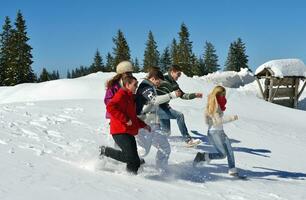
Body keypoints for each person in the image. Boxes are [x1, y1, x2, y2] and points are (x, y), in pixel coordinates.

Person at [100, 75, 150, 175]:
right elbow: (110, 107)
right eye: (135, 85)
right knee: (130, 157)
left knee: (135, 161)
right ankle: (106, 151)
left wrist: (143, 125)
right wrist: (125, 119)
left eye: (137, 84)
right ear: (127, 85)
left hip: (128, 131)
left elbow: (133, 117)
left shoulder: (130, 97)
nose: (136, 87)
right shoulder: (121, 94)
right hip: (119, 131)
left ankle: (131, 177)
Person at [136, 69, 180, 171]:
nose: (159, 84)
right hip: (144, 125)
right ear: (153, 78)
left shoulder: (150, 87)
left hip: (153, 125)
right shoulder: (145, 87)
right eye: (158, 82)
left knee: (165, 147)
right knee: (143, 151)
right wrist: (171, 95)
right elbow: (154, 100)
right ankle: (120, 158)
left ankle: (162, 169)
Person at [193, 85, 239, 176]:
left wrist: (210, 121)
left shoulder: (216, 103)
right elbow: (218, 121)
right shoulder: (214, 105)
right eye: (223, 95)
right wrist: (232, 117)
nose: (224, 97)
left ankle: (232, 170)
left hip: (220, 131)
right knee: (222, 154)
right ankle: (203, 156)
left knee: (229, 151)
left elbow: (207, 120)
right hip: (214, 133)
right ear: (218, 94)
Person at [156, 64, 203, 146]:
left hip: (164, 107)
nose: (179, 77)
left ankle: (154, 139)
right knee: (179, 116)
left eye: (180, 75)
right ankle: (188, 140)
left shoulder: (174, 84)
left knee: (166, 132)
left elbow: (182, 95)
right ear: (172, 72)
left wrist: (194, 95)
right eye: (178, 74)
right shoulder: (162, 79)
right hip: (156, 107)